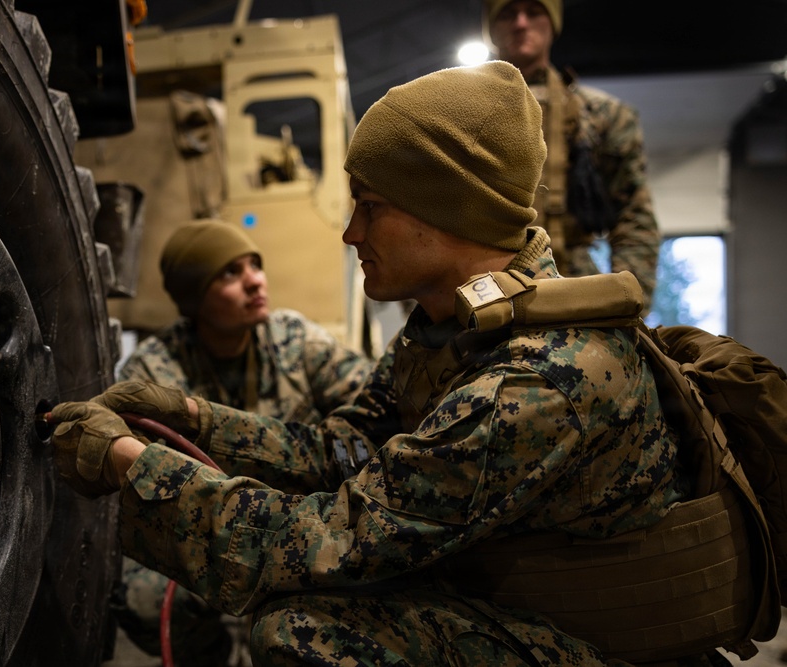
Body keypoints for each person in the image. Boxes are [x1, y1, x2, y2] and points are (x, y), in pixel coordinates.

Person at [49, 62, 744, 665]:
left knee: (308, 631)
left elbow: (332, 539)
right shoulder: (455, 328)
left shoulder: (539, 379)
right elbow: (340, 448)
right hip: (528, 620)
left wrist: (129, 464)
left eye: (371, 206)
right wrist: (195, 416)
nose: (351, 232)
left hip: (606, 649)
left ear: (446, 210)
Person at [113, 218, 375, 665]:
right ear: (195, 298)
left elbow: (370, 403)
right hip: (210, 534)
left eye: (255, 265)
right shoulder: (154, 373)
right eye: (230, 273)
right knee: (141, 597)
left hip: (300, 527)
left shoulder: (291, 338)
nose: (255, 281)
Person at [484, 0, 661, 311]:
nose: (521, 23)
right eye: (508, 13)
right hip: (478, 289)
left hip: (571, 289)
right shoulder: (456, 114)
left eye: (534, 12)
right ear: (491, 27)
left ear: (552, 23)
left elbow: (634, 217)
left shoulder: (601, 116)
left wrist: (630, 308)